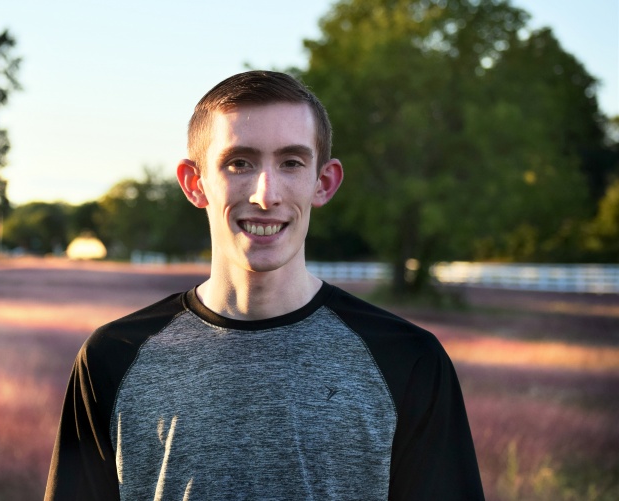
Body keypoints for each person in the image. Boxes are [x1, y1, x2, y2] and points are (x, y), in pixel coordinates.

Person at [44, 70, 484, 500]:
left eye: (291, 162)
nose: (265, 194)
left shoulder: (408, 360)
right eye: (240, 162)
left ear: (324, 182)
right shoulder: (112, 356)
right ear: (194, 183)